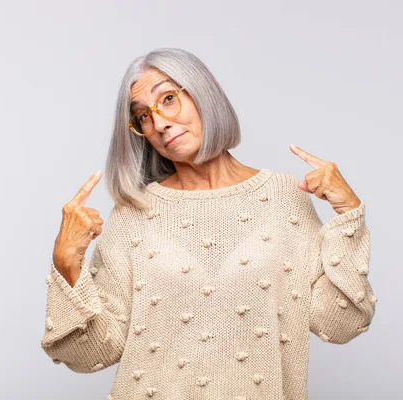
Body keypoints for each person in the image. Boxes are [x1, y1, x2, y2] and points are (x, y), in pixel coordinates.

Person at [40, 47, 377, 400]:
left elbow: (342, 324)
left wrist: (349, 216)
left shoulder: (284, 197)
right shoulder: (132, 214)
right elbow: (91, 353)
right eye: (142, 117)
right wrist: (67, 263)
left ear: (206, 90)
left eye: (168, 98)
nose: (159, 123)